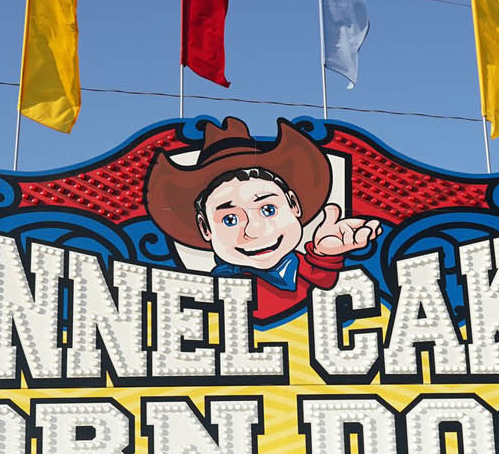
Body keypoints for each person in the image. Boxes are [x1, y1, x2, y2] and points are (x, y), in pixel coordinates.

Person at [144, 117, 382, 322]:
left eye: (268, 209)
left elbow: (322, 282)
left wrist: (323, 255)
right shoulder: (221, 288)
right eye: (230, 219)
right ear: (205, 228)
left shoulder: (305, 268)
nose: (254, 230)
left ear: (294, 204)